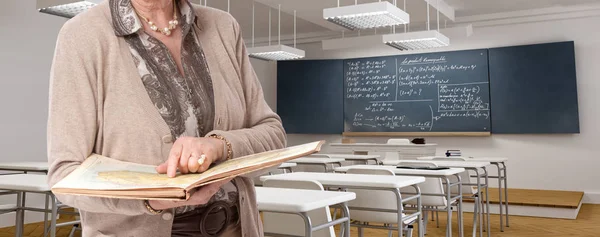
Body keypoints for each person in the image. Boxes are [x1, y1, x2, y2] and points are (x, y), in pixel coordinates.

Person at [46, 0, 286, 236]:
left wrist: (219, 146)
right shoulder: (82, 35)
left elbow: (273, 136)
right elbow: (65, 175)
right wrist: (151, 200)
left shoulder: (224, 27)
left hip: (236, 227)